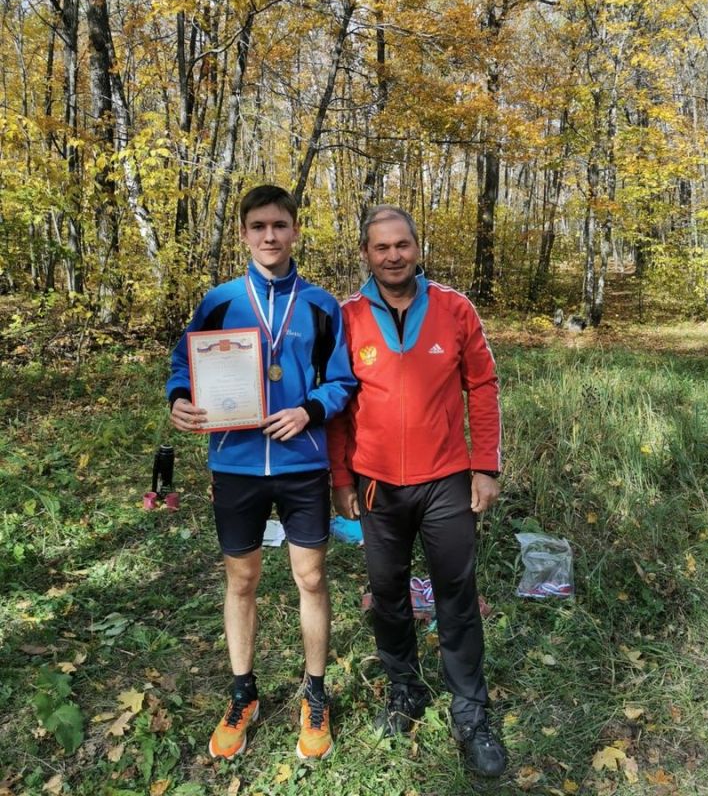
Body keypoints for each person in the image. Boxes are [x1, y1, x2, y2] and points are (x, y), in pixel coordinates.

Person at [167, 185, 355, 762]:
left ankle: (314, 693)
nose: (269, 236)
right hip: (236, 461)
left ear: (295, 229)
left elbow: (343, 380)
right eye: (258, 227)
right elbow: (184, 360)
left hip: (301, 464)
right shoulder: (221, 300)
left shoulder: (322, 305)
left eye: (279, 225)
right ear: (244, 233)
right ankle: (243, 692)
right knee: (242, 581)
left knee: (311, 579)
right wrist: (180, 397)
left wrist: (309, 410)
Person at [328, 205, 506, 778]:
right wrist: (342, 479)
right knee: (387, 594)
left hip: (446, 481)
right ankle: (404, 691)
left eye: (402, 244)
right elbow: (336, 405)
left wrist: (485, 466)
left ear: (416, 247)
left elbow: (482, 384)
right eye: (381, 247)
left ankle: (471, 712)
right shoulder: (346, 317)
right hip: (378, 485)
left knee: (456, 592)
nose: (393, 256)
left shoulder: (455, 308)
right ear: (365, 254)